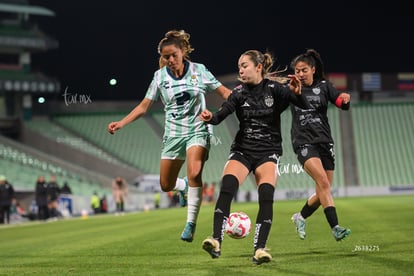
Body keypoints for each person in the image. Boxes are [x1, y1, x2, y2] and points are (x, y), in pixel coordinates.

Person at [107, 29, 231, 242]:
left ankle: (190, 223)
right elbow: (144, 107)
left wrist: (247, 99)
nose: (171, 59)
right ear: (162, 58)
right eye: (166, 57)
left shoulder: (199, 71)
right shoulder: (159, 77)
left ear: (183, 51)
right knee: (166, 185)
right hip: (173, 134)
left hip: (197, 129)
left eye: (174, 54)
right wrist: (121, 123)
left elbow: (225, 93)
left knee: (194, 172)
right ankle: (182, 187)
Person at [199, 49, 306, 264]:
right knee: (227, 186)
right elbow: (221, 115)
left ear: (258, 67)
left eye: (244, 65)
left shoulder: (275, 89)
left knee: (266, 195)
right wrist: (210, 117)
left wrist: (297, 93)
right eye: (239, 65)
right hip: (242, 150)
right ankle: (216, 240)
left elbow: (301, 104)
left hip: (268, 151)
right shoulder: (238, 93)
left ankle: (259, 249)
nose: (240, 69)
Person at [289, 48, 351, 242]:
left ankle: (300, 216)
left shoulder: (324, 86)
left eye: (304, 70)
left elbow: (340, 102)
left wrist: (345, 99)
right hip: (303, 142)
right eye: (297, 70)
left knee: (323, 190)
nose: (300, 74)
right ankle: (335, 227)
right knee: (323, 183)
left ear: (313, 69)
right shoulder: (291, 88)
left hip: (325, 141)